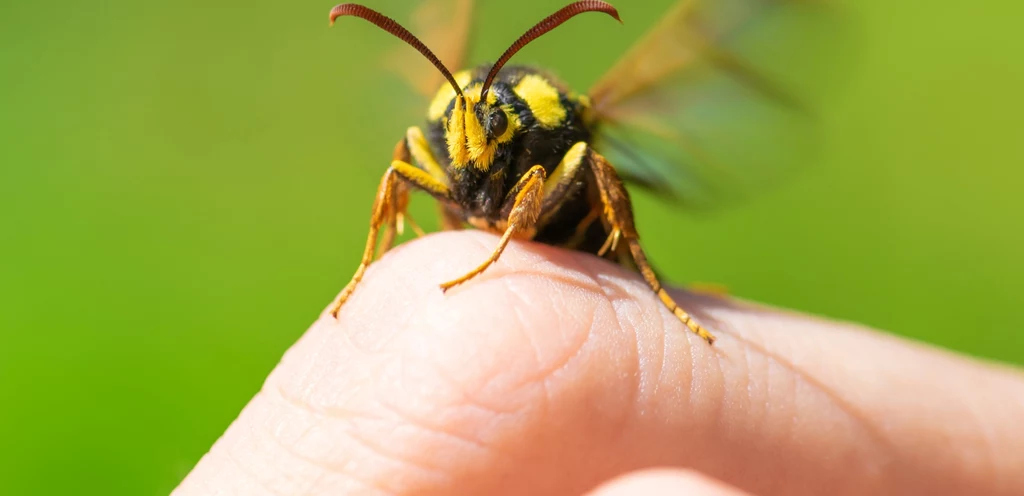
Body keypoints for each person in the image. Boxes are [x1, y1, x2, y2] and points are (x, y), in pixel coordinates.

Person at [172, 231, 1024, 495]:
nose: (469, 151)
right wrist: (373, 265)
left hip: (589, 250)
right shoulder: (439, 149)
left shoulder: (554, 154)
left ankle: (647, 279)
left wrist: (644, 280)